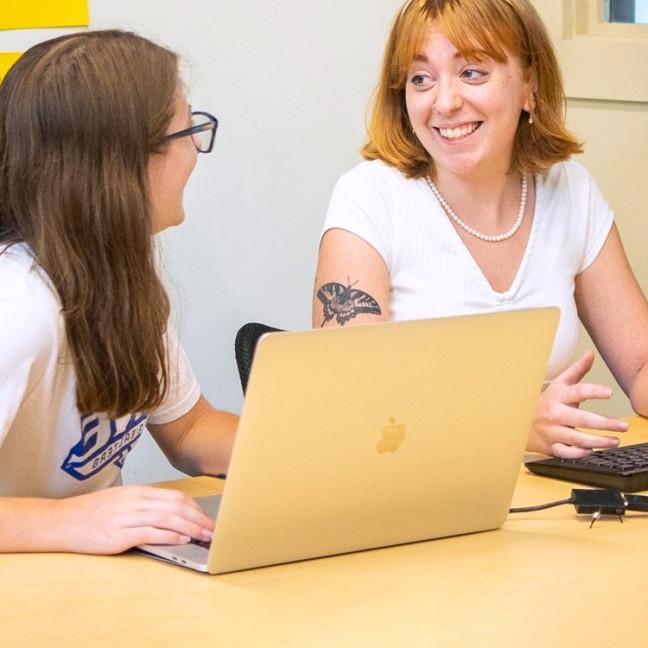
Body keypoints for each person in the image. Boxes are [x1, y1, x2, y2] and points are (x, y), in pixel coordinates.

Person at [312, 0, 648, 459]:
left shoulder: (570, 189)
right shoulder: (369, 197)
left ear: (529, 84)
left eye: (472, 72)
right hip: (412, 491)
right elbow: (350, 402)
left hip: (543, 496)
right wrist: (512, 425)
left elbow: (641, 365)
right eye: (421, 79)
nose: (445, 102)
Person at [0, 30, 238, 553]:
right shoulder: (19, 307)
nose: (197, 149)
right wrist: (65, 523)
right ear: (124, 163)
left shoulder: (119, 278)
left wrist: (322, 449)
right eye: (186, 131)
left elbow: (191, 430)